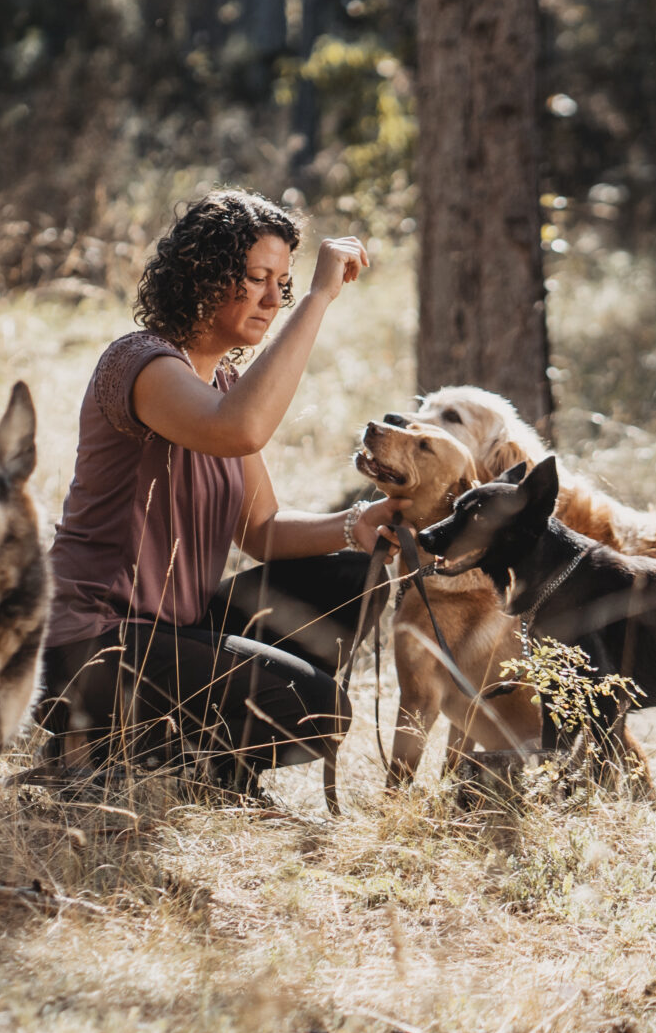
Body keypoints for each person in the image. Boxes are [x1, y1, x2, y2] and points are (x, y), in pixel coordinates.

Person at [37, 190, 399, 780]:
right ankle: (122, 755)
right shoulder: (141, 364)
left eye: (281, 282)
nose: (272, 298)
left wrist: (355, 525)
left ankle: (182, 758)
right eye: (257, 277)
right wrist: (318, 297)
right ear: (201, 277)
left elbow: (262, 529)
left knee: (352, 578)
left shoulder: (224, 383)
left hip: (173, 632)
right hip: (88, 645)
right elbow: (240, 431)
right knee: (318, 712)